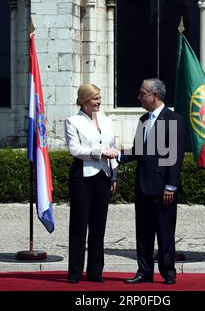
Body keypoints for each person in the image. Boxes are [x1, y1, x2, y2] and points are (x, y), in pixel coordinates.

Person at [119, 78, 185, 285]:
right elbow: (139, 150)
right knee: (143, 233)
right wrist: (117, 156)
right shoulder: (143, 120)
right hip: (143, 186)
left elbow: (174, 156)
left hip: (163, 188)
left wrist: (170, 185)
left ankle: (168, 273)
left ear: (154, 96)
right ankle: (144, 272)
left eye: (142, 93)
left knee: (165, 232)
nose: (139, 97)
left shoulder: (173, 119)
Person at [65, 83, 119, 284]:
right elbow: (75, 150)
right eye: (95, 98)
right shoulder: (73, 121)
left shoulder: (106, 120)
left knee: (99, 227)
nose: (99, 101)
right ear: (84, 100)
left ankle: (96, 272)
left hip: (103, 177)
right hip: (82, 178)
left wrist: (114, 175)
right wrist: (99, 153)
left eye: (99, 97)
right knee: (79, 226)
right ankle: (75, 273)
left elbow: (112, 147)